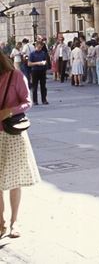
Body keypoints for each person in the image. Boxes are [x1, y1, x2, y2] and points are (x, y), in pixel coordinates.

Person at [0, 51, 41, 238]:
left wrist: (9, 111)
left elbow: (27, 102)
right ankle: (1, 221)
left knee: (15, 179)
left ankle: (14, 222)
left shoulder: (15, 76)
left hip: (12, 133)